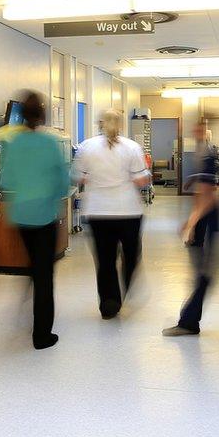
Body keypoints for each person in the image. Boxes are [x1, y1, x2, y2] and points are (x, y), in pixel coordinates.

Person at [0, 91, 69, 349]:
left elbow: (4, 180)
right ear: (42, 115)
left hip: (21, 215)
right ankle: (42, 335)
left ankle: (29, 297)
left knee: (35, 265)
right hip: (43, 215)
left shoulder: (13, 143)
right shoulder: (49, 143)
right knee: (44, 275)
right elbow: (62, 182)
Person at [73, 109, 150, 319]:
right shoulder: (132, 147)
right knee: (131, 256)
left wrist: (95, 178)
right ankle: (124, 287)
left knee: (105, 260)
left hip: (98, 213)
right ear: (121, 124)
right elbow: (141, 181)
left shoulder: (86, 147)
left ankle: (109, 303)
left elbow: (77, 177)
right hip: (129, 212)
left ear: (100, 123)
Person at [163, 121, 219, 336]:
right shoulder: (202, 152)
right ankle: (189, 321)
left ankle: (189, 322)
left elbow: (207, 196)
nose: (194, 132)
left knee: (205, 275)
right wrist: (192, 180)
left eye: (198, 129)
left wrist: (190, 223)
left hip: (212, 217)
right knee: (207, 274)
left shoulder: (206, 154)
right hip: (212, 217)